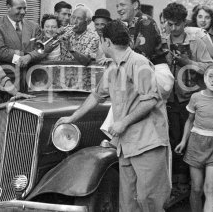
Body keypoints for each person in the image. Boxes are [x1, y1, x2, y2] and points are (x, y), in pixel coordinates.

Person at [55, 21, 171, 211]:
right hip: (126, 146)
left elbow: (150, 101)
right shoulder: (113, 67)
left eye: (101, 41)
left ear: (106, 41)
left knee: (150, 202)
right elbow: (96, 95)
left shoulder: (139, 63)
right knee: (128, 205)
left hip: (147, 143)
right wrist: (72, 118)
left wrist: (123, 123)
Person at [162, 2, 213, 196]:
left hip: (189, 100)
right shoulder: (162, 41)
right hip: (168, 100)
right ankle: (173, 182)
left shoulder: (196, 42)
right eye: (169, 24)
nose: (172, 28)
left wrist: (188, 62)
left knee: (188, 139)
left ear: (184, 23)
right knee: (172, 137)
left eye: (176, 24)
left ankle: (188, 182)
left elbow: (210, 68)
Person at [175, 64, 213, 212]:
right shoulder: (196, 97)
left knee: (210, 188)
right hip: (196, 144)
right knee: (196, 188)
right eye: (210, 76)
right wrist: (184, 141)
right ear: (204, 78)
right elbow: (190, 120)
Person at [0, 0, 45, 88]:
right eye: (19, 8)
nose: (23, 12)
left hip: (31, 80)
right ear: (8, 7)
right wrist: (22, 59)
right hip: (8, 80)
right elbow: (0, 52)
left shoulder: (34, 26)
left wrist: (29, 57)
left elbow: (41, 49)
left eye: (25, 8)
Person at [116, 0, 165, 64]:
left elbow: (142, 55)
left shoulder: (145, 21)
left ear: (135, 5)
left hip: (154, 70)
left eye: (122, 5)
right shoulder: (131, 25)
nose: (119, 9)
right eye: (117, 6)